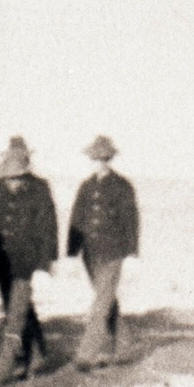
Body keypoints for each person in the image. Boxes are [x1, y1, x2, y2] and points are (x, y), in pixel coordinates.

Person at [0, 136, 61, 384]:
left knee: (15, 316)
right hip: (3, 261)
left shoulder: (40, 187)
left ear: (26, 170)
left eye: (17, 177)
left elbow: (49, 226)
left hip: (28, 262)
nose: (12, 182)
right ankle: (37, 356)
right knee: (17, 308)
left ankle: (4, 367)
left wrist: (45, 265)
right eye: (8, 176)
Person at [68, 135, 141, 369]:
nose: (99, 162)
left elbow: (131, 219)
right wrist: (72, 250)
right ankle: (125, 345)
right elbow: (77, 217)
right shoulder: (86, 186)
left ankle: (86, 354)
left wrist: (132, 250)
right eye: (94, 158)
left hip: (113, 251)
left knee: (100, 303)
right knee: (106, 299)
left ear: (109, 159)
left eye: (103, 158)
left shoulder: (122, 186)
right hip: (90, 252)